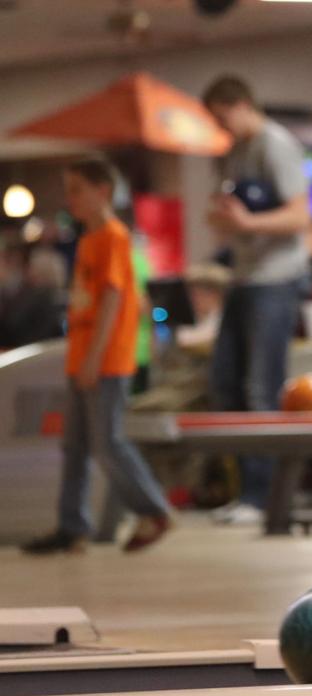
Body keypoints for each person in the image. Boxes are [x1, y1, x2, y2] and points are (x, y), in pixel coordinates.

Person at [21, 159, 173, 555]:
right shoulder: (88, 239)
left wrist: (94, 356)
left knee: (109, 442)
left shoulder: (114, 237)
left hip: (104, 360)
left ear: (102, 190)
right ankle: (72, 527)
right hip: (82, 357)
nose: (69, 199)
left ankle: (154, 509)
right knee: (75, 446)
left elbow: (113, 298)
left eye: (76, 190)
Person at [203, 75, 312, 525]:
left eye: (222, 116)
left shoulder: (275, 145)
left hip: (277, 280)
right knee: (224, 384)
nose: (221, 126)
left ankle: (264, 495)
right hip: (244, 279)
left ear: (242, 104)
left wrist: (248, 225)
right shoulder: (234, 153)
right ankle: (246, 491)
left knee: (260, 387)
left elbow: (301, 214)